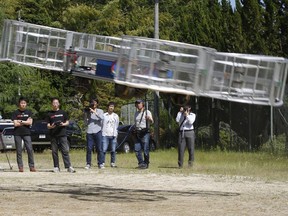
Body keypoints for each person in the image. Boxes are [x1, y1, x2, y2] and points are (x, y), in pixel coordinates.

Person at [46, 98, 75, 173]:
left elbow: (67, 122)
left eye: (56, 103)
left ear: (59, 104)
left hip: (62, 134)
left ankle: (68, 166)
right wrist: (51, 126)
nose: (55, 104)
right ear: (52, 104)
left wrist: (63, 124)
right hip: (53, 134)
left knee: (65, 150)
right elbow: (47, 125)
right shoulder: (49, 114)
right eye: (54, 103)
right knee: (54, 151)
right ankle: (56, 166)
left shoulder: (63, 112)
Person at [11, 97, 36, 172]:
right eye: (22, 103)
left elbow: (30, 122)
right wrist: (25, 122)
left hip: (27, 133)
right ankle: (20, 167)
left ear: (26, 104)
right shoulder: (15, 113)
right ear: (19, 104)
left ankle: (31, 166)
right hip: (17, 133)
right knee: (19, 150)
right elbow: (15, 124)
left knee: (29, 149)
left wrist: (20, 121)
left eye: (24, 103)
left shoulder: (29, 112)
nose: (23, 104)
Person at [84, 98, 104, 169]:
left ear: (97, 104)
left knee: (99, 148)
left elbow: (102, 118)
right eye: (92, 102)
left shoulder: (100, 111)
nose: (94, 104)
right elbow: (85, 123)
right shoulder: (88, 111)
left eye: (95, 102)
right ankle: (88, 163)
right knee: (89, 148)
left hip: (98, 131)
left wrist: (95, 112)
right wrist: (87, 115)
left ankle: (100, 163)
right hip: (89, 131)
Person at [134, 99, 154, 169]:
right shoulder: (136, 113)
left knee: (145, 149)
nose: (138, 105)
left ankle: (146, 163)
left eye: (139, 103)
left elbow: (152, 121)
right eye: (137, 103)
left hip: (145, 132)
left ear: (143, 104)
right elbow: (135, 123)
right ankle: (141, 163)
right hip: (137, 132)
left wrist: (149, 118)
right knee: (137, 149)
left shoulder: (147, 112)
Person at [102, 102, 119, 168]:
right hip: (105, 134)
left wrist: (116, 134)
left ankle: (112, 163)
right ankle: (102, 162)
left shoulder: (116, 116)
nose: (111, 108)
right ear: (108, 107)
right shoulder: (104, 115)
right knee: (104, 149)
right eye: (110, 106)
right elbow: (101, 124)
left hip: (113, 135)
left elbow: (117, 125)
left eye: (112, 106)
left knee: (113, 150)